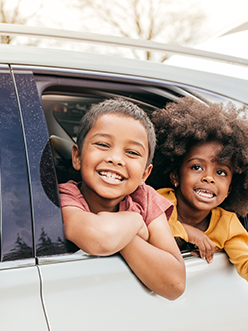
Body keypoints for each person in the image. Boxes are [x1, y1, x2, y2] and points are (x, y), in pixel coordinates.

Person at [148, 97, 248, 289]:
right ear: (175, 176)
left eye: (221, 172)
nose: (209, 178)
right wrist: (190, 233)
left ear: (230, 189)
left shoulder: (228, 225)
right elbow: (143, 223)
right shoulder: (158, 199)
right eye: (197, 167)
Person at [58, 98, 185, 300]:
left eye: (132, 152)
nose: (116, 159)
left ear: (145, 174)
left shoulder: (145, 198)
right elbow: (100, 238)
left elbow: (175, 284)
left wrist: (125, 236)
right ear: (77, 157)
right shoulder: (65, 196)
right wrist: (135, 222)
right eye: (102, 144)